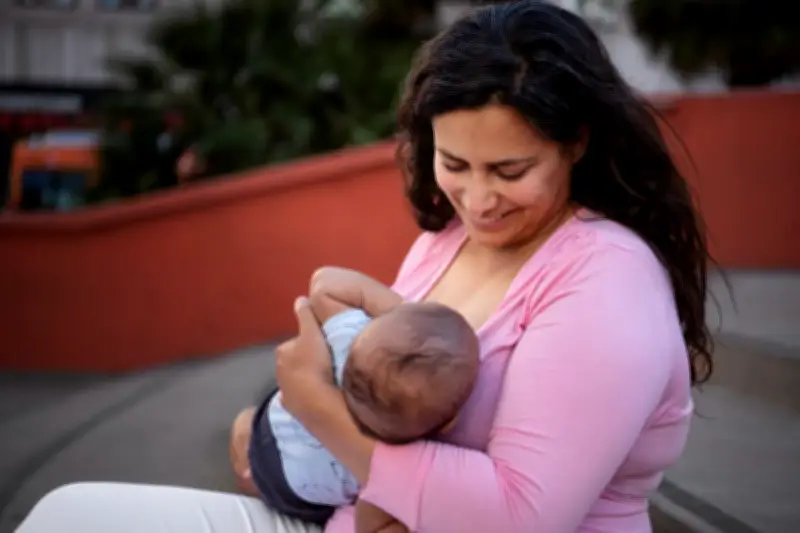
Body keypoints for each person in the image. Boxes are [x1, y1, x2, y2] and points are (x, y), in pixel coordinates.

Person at [14, 2, 713, 532]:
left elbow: (521, 514)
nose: (477, 199)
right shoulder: (449, 240)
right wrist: (278, 430)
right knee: (69, 514)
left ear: (577, 142)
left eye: (509, 170)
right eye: (455, 163)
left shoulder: (606, 279)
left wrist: (320, 415)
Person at [245, 267, 479, 532]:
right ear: (449, 423)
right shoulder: (399, 462)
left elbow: (325, 283)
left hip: (273, 423)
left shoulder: (351, 337)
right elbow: (369, 524)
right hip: (297, 494)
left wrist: (403, 310)